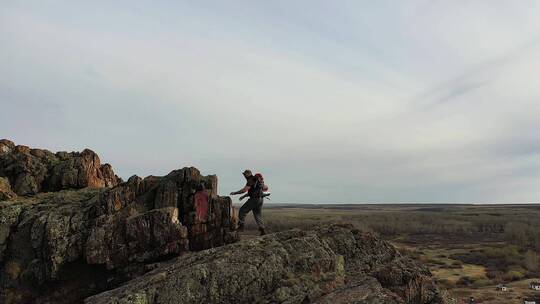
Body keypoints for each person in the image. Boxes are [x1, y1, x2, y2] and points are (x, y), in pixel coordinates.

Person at [230, 169, 267, 235]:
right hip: (260, 199)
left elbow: (244, 190)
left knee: (242, 211)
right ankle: (262, 230)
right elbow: (254, 191)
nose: (244, 176)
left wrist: (235, 193)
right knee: (257, 215)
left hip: (254, 200)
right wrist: (244, 196)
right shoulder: (256, 180)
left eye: (244, 174)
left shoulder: (251, 180)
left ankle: (241, 227)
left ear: (247, 174)